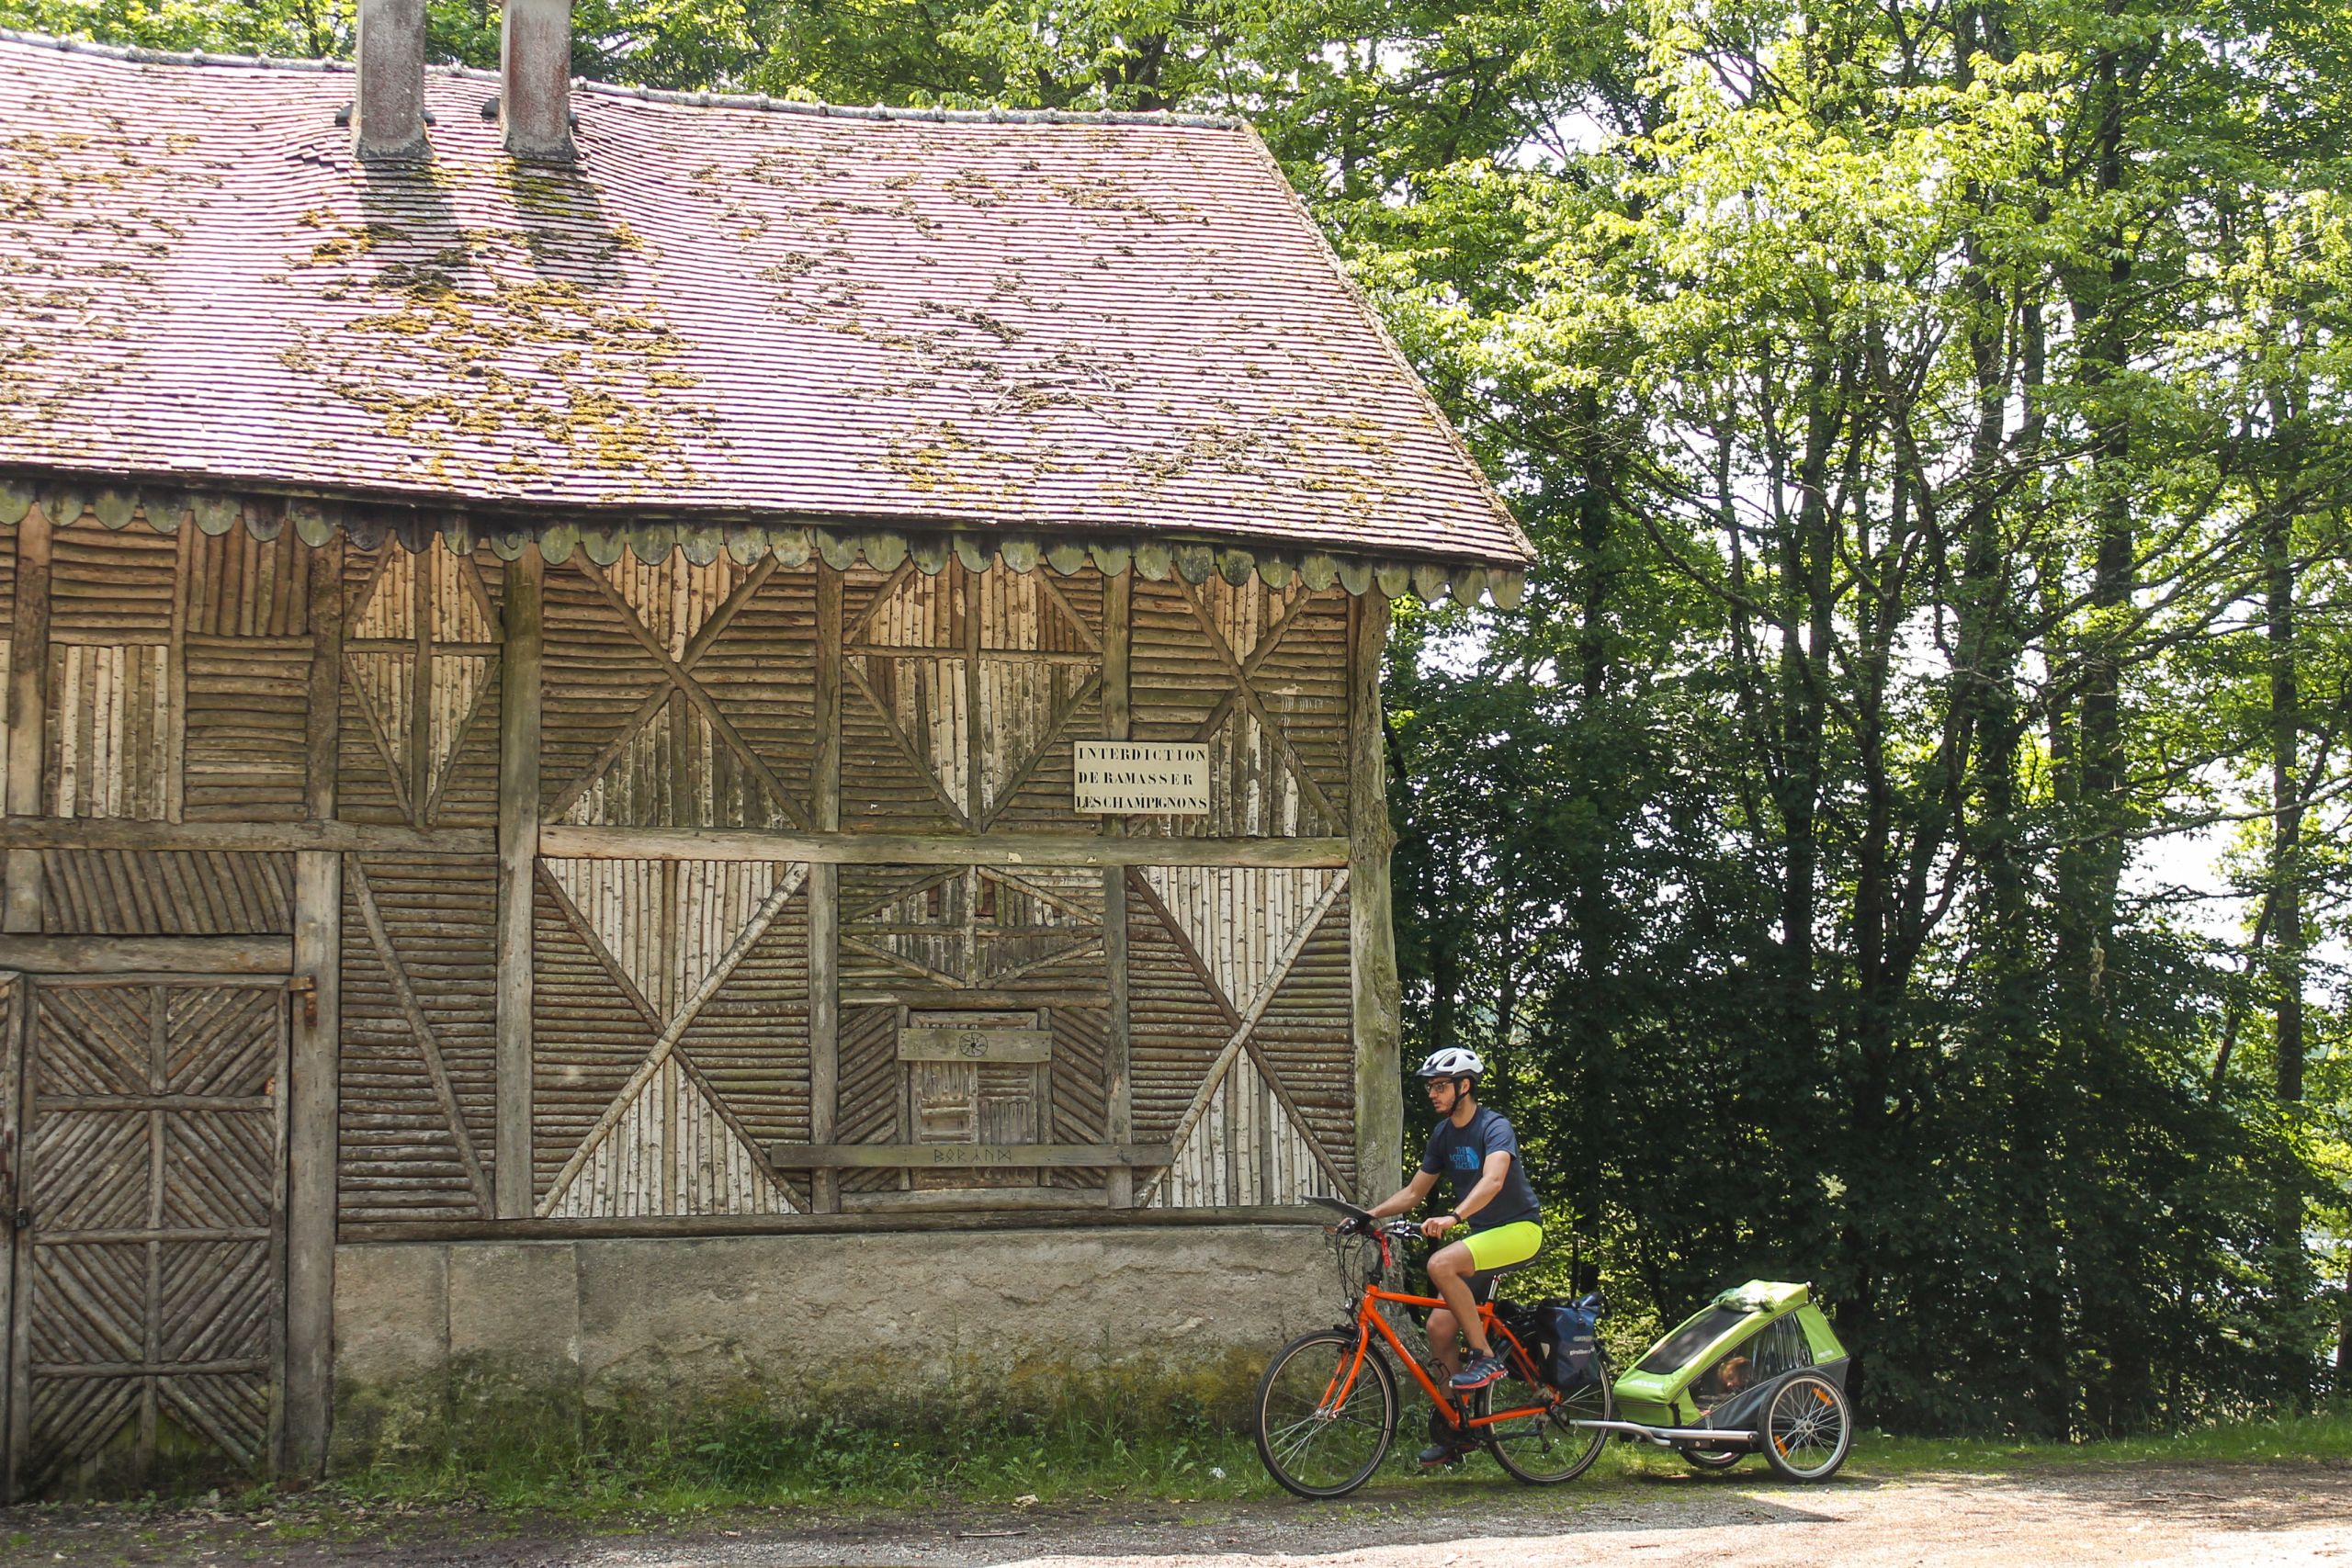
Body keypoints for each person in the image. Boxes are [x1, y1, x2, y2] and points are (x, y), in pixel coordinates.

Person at [1363, 1046, 1544, 1467]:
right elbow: (1413, 1193)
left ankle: (1483, 1357)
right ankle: (1458, 1429)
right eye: (1431, 1087)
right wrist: (1365, 1216)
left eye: (1441, 1086)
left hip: (1519, 1231)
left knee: (1440, 1263)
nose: (1434, 1094)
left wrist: (1454, 1217)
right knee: (1440, 1327)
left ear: (1465, 1086)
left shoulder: (1493, 1126)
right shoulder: (1443, 1135)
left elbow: (1494, 1179)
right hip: (1482, 1238)